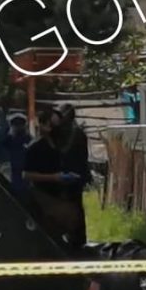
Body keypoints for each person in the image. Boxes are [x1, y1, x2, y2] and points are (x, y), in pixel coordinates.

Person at [23, 109, 87, 250]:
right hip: (43, 195)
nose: (56, 128)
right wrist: (53, 178)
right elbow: (27, 174)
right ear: (43, 125)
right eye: (52, 124)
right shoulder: (35, 147)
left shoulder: (58, 144)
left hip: (61, 193)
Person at [56, 103, 92, 248]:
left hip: (70, 177)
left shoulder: (73, 133)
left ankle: (74, 238)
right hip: (71, 177)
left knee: (72, 207)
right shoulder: (72, 132)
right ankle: (75, 238)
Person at [0, 111, 32, 196]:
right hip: (12, 173)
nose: (18, 126)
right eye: (15, 124)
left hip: (26, 175)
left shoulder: (29, 140)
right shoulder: (7, 140)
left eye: (20, 124)